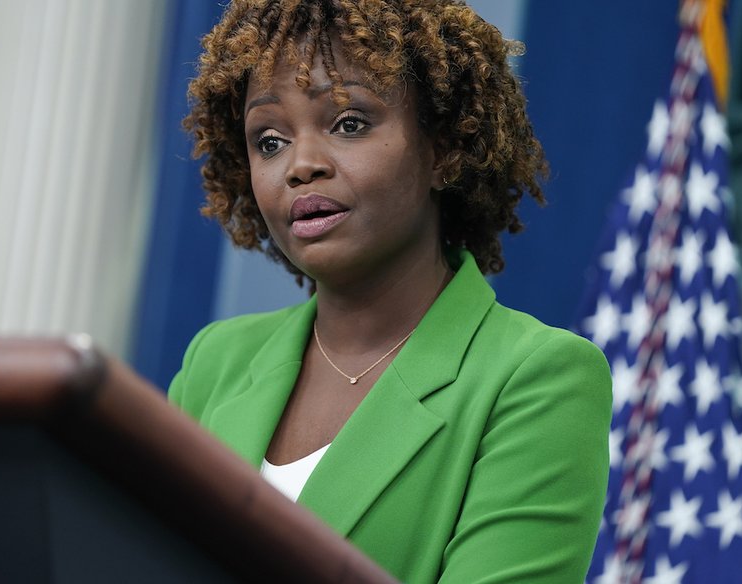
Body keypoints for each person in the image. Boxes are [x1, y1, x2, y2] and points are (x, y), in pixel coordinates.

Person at [167, 1, 611, 581]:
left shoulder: (536, 378)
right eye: (269, 139)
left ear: (444, 148)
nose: (300, 165)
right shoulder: (217, 361)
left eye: (349, 123)